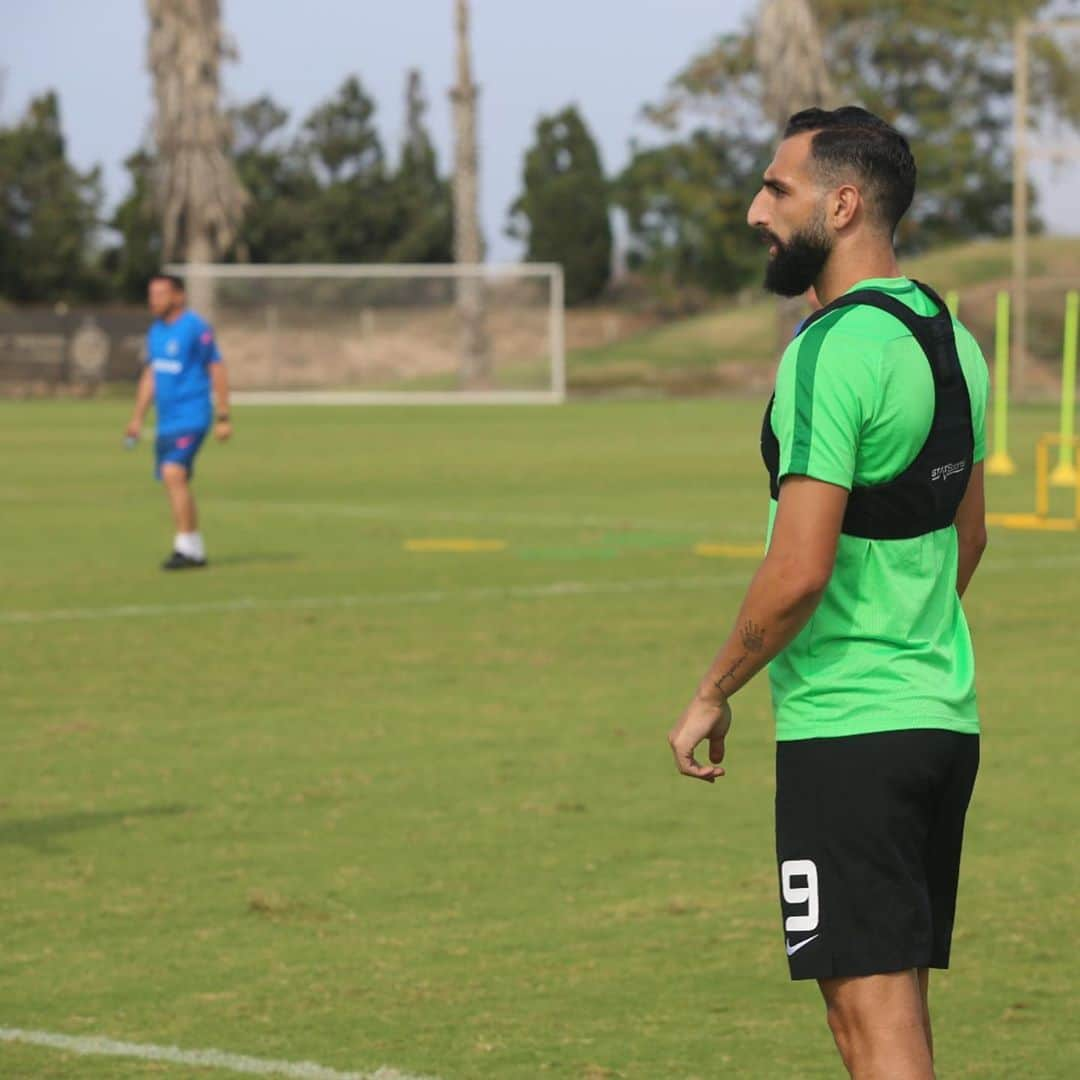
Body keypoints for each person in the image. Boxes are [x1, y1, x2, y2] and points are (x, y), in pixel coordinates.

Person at [667, 106, 989, 1080]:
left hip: (850, 733)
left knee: (873, 1029)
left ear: (841, 204)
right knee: (883, 1022)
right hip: (938, 718)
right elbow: (967, 535)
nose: (757, 208)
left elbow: (799, 568)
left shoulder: (827, 347)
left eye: (777, 188)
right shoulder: (951, 337)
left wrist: (715, 686)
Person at [125, 273, 232, 570]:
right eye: (151, 294)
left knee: (173, 473)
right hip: (166, 420)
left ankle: (186, 547)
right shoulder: (156, 332)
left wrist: (223, 414)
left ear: (178, 296)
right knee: (174, 479)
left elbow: (216, 366)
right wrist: (137, 418)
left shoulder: (195, 328)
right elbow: (151, 376)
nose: (153, 300)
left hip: (193, 414)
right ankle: (192, 547)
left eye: (160, 294)